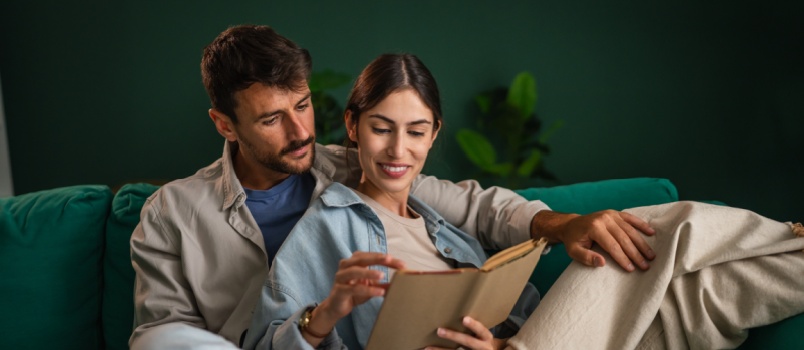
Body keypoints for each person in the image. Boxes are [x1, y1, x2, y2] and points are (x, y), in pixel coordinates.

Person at [129, 25, 658, 349]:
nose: (300, 131)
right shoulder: (172, 212)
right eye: (271, 120)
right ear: (225, 125)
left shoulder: (353, 165)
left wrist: (564, 224)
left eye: (303, 105)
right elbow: (162, 336)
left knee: (670, 244)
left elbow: (475, 206)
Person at [243, 53, 541, 349]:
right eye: (382, 129)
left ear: (433, 134)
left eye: (416, 132)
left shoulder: (443, 229)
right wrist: (324, 315)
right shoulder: (327, 225)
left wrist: (497, 346)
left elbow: (531, 322)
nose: (398, 150)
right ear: (352, 125)